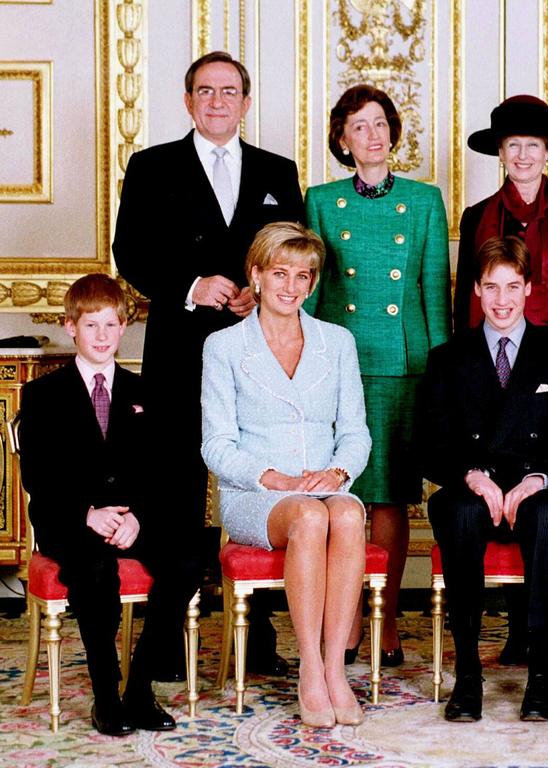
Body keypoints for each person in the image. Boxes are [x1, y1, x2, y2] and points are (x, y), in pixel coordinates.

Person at [112, 51, 304, 678]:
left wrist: (258, 287)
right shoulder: (151, 165)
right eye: (205, 91)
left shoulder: (279, 170)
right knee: (178, 490)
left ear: (246, 103)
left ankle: (260, 638)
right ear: (188, 101)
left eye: (229, 91)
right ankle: (168, 636)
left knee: (256, 479)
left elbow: (292, 249)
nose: (217, 101)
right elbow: (130, 250)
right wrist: (192, 285)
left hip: (260, 349)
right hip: (182, 352)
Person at [455, 94, 548, 664]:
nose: (523, 155)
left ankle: (533, 631)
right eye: (513, 145)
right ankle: (508, 626)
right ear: (500, 152)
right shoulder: (477, 217)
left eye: (534, 146)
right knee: (495, 487)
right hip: (492, 372)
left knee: (543, 491)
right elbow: (461, 307)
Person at [418, 236, 548, 722]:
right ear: (475, 289)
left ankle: (541, 676)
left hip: (535, 491)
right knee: (458, 513)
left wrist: (537, 479)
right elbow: (428, 446)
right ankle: (469, 674)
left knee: (546, 518)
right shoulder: (448, 358)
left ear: (529, 288)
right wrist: (473, 476)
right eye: (492, 287)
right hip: (472, 489)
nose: (502, 300)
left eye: (512, 286)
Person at [201, 222, 372, 727]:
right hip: (255, 494)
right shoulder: (224, 346)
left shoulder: (337, 342)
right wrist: (273, 478)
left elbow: (357, 434)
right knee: (309, 518)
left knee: (344, 515)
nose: (291, 287)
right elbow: (215, 445)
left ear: (314, 283)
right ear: (255, 275)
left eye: (303, 276)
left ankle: (336, 667)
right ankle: (311, 668)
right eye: (280, 273)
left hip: (324, 484)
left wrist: (338, 471)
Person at [305, 84, 451, 666]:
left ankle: (385, 617)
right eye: (359, 126)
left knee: (388, 497)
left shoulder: (423, 201)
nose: (373, 134)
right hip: (339, 364)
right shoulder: (320, 200)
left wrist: (441, 374)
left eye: (381, 123)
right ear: (342, 140)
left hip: (400, 366)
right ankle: (343, 621)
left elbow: (434, 293)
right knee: (342, 494)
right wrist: (302, 368)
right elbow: (312, 295)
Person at [18, 275, 199, 736]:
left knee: (183, 563)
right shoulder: (43, 395)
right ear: (70, 327)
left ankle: (139, 690)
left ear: (124, 327)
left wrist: (136, 516)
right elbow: (40, 475)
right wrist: (87, 514)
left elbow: (164, 472)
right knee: (96, 572)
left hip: (135, 516)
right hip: (71, 518)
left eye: (111, 325)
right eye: (91, 325)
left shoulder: (148, 393)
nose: (102, 336)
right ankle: (106, 695)